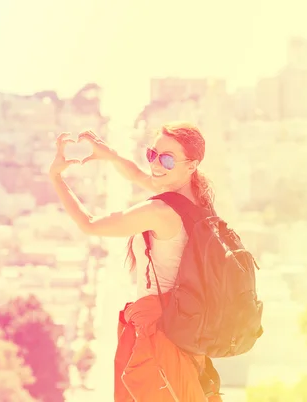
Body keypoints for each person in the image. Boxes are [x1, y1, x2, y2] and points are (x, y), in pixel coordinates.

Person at [49, 122, 222, 401]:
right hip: (187, 333)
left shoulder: (160, 212)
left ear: (192, 165)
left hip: (160, 340)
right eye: (152, 154)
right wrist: (111, 156)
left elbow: (90, 224)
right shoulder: (198, 201)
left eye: (167, 159)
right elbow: (142, 177)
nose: (156, 164)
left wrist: (56, 178)